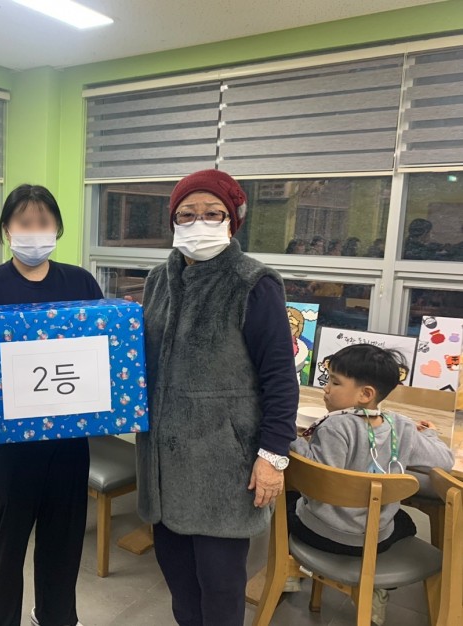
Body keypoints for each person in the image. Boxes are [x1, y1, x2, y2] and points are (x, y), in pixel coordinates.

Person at [0, 184, 103, 626]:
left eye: (43, 222)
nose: (34, 230)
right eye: (24, 222)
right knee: (3, 546)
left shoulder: (80, 283)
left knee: (63, 542)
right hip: (5, 447)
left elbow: (104, 349)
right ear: (7, 229)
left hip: (68, 443)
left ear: (57, 228)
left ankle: (56, 616)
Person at [138, 170, 299, 626]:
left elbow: (280, 379)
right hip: (163, 464)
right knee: (178, 578)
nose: (198, 223)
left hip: (224, 465)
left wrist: (273, 456)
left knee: (221, 585)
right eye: (187, 215)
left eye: (213, 214)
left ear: (233, 220)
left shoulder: (254, 283)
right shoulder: (158, 280)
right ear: (173, 221)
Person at [288, 344, 454, 625]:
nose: (326, 388)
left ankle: (289, 573)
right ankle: (377, 590)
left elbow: (316, 477)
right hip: (373, 543)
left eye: (335, 382)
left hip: (322, 535)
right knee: (404, 523)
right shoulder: (401, 427)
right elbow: (445, 461)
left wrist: (292, 439)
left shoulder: (333, 427)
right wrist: (431, 435)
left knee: (288, 501)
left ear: (365, 394)